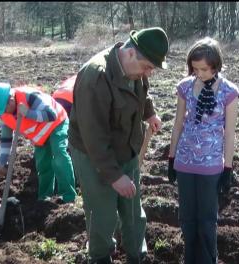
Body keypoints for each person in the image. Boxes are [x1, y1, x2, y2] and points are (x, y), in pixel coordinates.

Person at [68, 27, 169, 264]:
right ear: (131, 53)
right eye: (147, 67)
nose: (148, 74)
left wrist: (149, 113)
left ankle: (137, 256)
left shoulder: (136, 71)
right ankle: (101, 257)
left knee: (133, 210)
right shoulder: (96, 76)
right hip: (93, 154)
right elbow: (94, 136)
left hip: (127, 147)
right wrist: (114, 176)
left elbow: (141, 94)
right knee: (101, 213)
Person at [168, 37, 239, 264]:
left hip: (211, 167)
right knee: (188, 219)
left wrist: (228, 168)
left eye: (204, 69)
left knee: (207, 221)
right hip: (184, 162)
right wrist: (171, 158)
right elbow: (178, 124)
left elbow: (229, 133)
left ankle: (209, 260)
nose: (199, 73)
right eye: (195, 68)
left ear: (216, 66)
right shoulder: (185, 87)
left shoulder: (229, 92)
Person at [0, 83, 77, 203]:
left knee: (59, 154)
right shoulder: (4, 114)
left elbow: (51, 115)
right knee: (42, 164)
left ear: (11, 99)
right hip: (39, 136)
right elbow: (6, 139)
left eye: (5, 108)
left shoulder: (30, 96)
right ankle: (44, 197)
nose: (5, 112)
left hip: (57, 124)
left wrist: (28, 113)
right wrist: (3, 162)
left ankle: (68, 195)